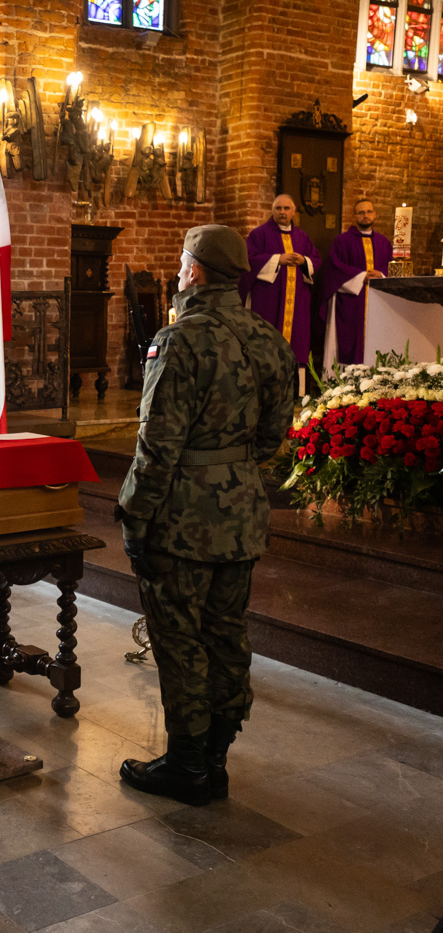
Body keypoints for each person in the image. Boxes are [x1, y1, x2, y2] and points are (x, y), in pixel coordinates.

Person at [116, 225, 296, 807]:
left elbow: (157, 445)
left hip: (181, 520)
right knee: (226, 633)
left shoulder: (180, 340)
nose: (177, 271)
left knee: (179, 639)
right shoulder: (269, 338)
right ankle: (215, 758)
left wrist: (134, 514)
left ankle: (187, 765)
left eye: (181, 262)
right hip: (241, 513)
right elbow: (274, 435)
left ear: (194, 271)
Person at [240, 195, 320, 377]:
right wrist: (277, 259)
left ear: (293, 212)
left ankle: (297, 390)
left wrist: (304, 261)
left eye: (286, 208)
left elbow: (316, 260)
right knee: (266, 345)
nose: (282, 212)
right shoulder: (259, 234)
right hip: (268, 300)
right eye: (278, 208)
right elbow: (249, 260)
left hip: (297, 303)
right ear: (272, 211)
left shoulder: (302, 237)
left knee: (297, 345)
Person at [318, 198, 392, 370]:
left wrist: (381, 275)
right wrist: (361, 277)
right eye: (361, 212)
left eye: (369, 211)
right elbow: (334, 269)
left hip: (377, 303)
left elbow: (391, 266)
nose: (366, 215)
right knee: (347, 344)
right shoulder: (342, 241)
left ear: (375, 214)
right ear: (354, 216)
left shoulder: (384, 242)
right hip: (350, 304)